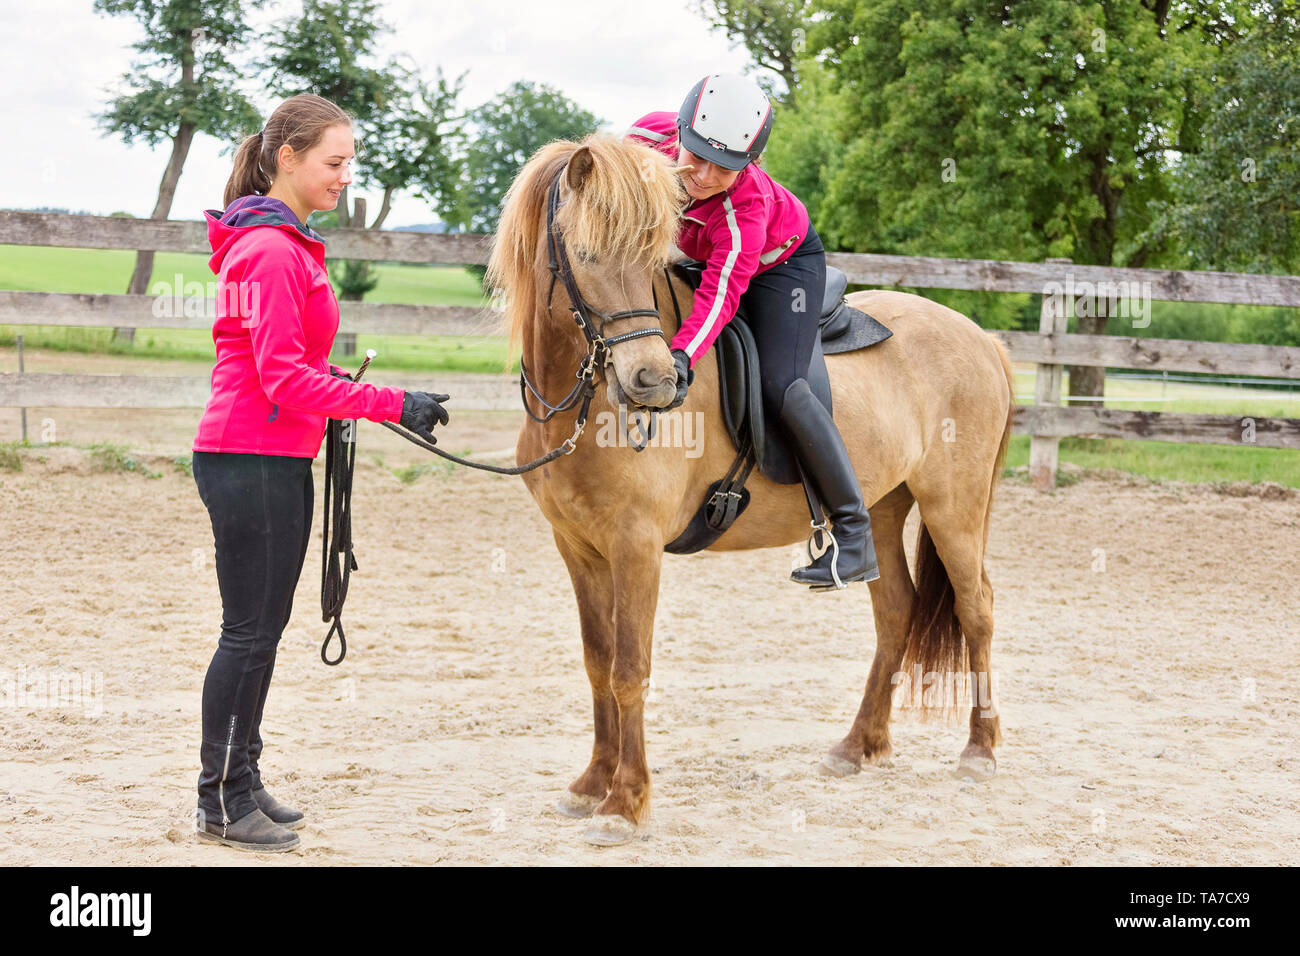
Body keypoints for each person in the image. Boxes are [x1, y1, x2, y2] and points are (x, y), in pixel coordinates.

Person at [191, 93, 450, 852]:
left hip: (270, 453)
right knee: (248, 634)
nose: (345, 177)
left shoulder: (284, 244)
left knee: (261, 632)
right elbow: (278, 378)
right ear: (289, 159)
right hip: (253, 454)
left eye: (349, 163)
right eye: (334, 163)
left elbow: (293, 366)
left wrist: (350, 388)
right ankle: (220, 800)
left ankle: (242, 782)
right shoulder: (272, 251)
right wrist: (388, 401)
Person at [626, 74, 880, 589]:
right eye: (695, 156)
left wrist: (681, 357)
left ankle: (854, 536)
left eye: (725, 167)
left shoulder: (747, 208)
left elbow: (721, 295)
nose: (702, 175)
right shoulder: (641, 143)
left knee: (782, 386)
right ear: (678, 133)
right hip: (693, 254)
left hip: (779, 267)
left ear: (752, 163)